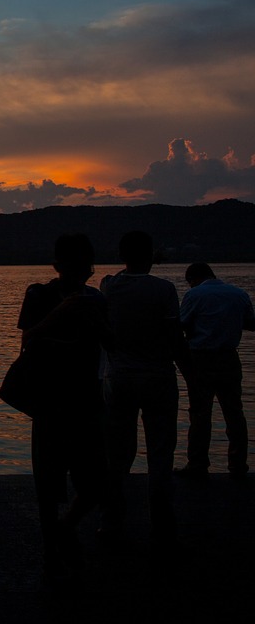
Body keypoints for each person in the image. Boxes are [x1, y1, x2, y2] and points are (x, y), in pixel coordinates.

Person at [15, 234, 108, 583]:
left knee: (97, 481)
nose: (78, 271)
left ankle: (65, 529)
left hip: (87, 398)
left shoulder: (97, 298)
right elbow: (28, 341)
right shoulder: (39, 294)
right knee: (48, 484)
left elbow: (111, 343)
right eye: (71, 264)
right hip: (50, 399)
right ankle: (50, 553)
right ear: (57, 266)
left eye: (84, 265)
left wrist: (98, 321)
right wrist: (63, 311)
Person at [99, 231, 189, 547]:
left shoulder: (109, 286)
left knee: (118, 454)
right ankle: (162, 525)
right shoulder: (163, 290)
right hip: (157, 377)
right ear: (150, 255)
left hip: (119, 378)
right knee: (160, 453)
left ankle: (112, 520)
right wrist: (190, 373)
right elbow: (174, 338)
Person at [176, 262, 255, 480]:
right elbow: (251, 322)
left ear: (193, 279)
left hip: (201, 359)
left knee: (200, 413)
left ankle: (197, 463)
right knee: (235, 413)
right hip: (230, 357)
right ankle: (238, 464)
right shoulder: (238, 293)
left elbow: (181, 323)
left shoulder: (195, 295)